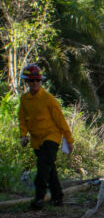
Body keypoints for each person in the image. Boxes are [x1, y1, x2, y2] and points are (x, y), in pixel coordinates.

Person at [17, 64, 72, 209]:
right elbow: (22, 119)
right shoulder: (24, 100)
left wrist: (69, 140)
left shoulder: (49, 99)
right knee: (50, 169)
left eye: (37, 81)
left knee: (42, 167)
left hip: (51, 137)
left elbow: (61, 120)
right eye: (31, 81)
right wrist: (23, 136)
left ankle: (39, 199)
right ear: (27, 82)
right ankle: (57, 197)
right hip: (36, 140)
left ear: (40, 82)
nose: (35, 84)